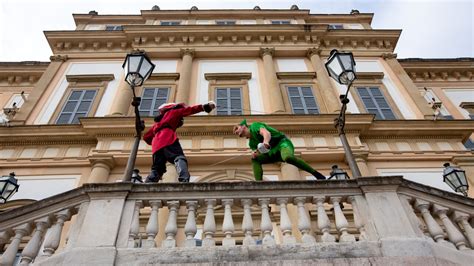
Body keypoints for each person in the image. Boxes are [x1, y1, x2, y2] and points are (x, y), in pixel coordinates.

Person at [143, 101, 215, 183]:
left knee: (158, 167)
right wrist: (205, 107)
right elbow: (190, 110)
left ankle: (149, 182)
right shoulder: (173, 112)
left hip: (156, 144)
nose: (180, 120)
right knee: (179, 157)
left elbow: (146, 137)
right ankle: (184, 178)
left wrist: (156, 140)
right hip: (167, 136)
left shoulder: (157, 124)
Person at [233, 119, 326, 181]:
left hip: (282, 144)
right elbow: (259, 151)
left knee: (288, 157)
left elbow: (266, 132)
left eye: (237, 128)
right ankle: (259, 184)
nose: (236, 132)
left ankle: (316, 174)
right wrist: (255, 153)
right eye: (235, 132)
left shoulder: (254, 126)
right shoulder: (251, 143)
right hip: (271, 152)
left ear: (244, 126)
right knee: (255, 159)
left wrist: (266, 142)